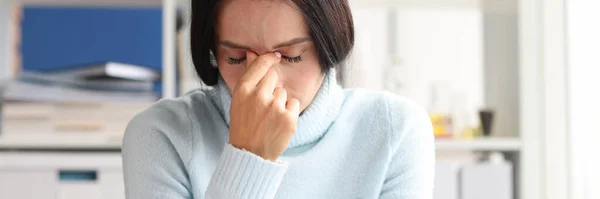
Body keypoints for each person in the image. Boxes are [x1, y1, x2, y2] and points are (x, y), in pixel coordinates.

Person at [122, 0, 434, 198]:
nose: (265, 81)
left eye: (291, 56)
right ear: (212, 52)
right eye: (235, 58)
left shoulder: (395, 129)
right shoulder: (161, 135)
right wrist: (249, 157)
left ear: (330, 44)